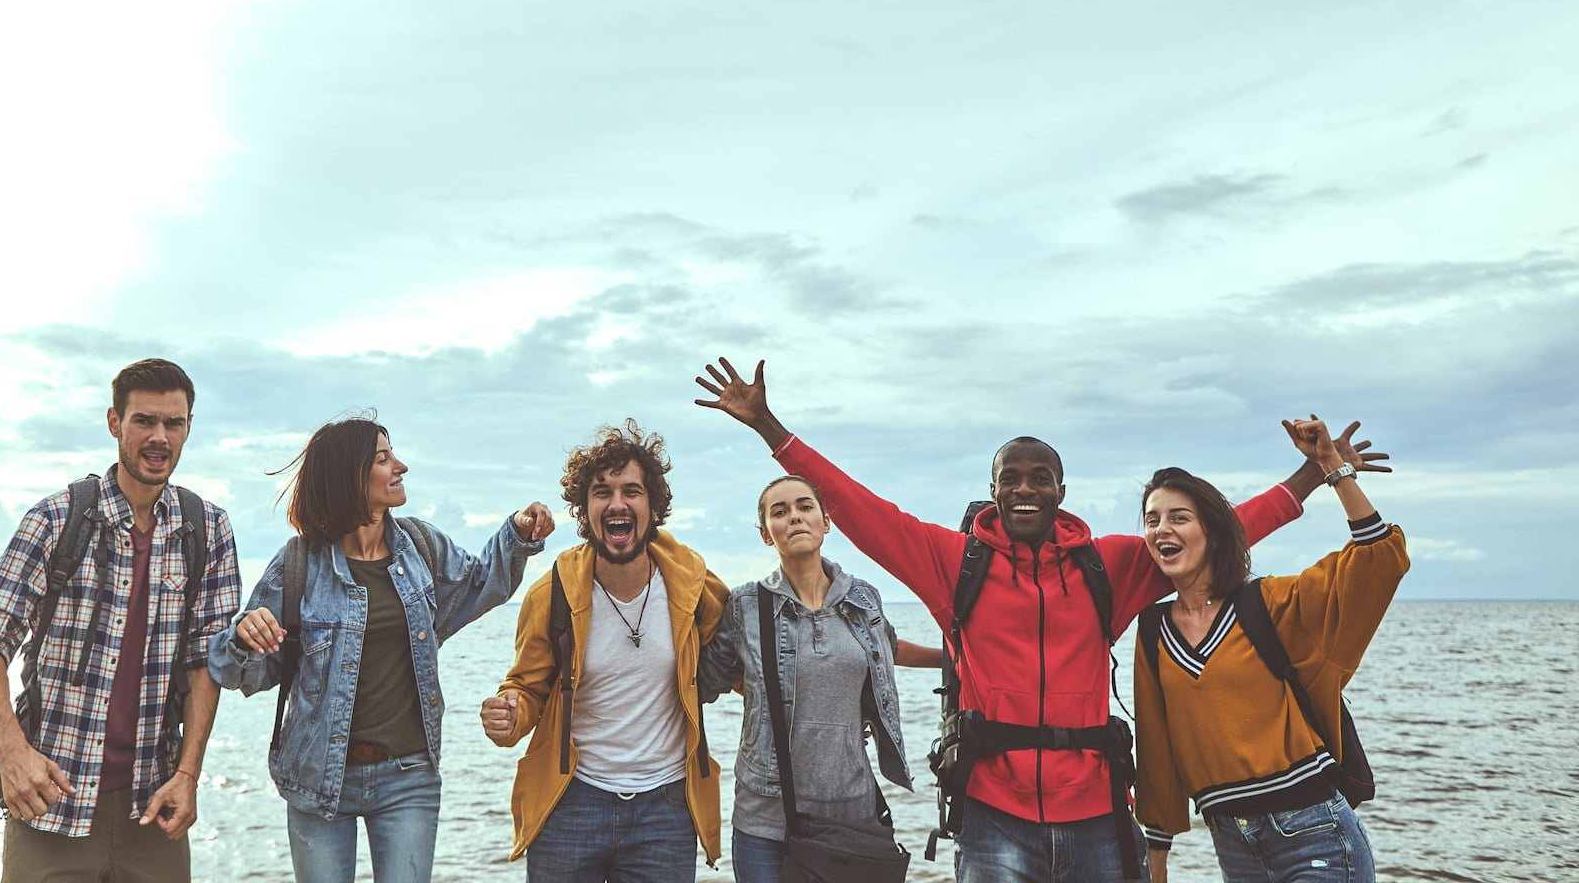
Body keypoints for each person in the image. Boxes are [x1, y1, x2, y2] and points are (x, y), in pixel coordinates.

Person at [694, 357, 1383, 883]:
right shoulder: (954, 563)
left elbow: (1219, 531)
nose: (1024, 488)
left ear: (1061, 489)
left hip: (1096, 811)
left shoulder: (1106, 565)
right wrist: (770, 429)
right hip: (995, 816)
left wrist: (1313, 477)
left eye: (1039, 477)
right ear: (993, 489)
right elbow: (861, 509)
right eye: (1009, 477)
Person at [206, 414, 555, 883]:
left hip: (408, 776)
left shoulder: (421, 546)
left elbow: (479, 582)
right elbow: (240, 673)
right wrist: (245, 638)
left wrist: (516, 532)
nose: (401, 466)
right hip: (316, 780)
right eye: (384, 458)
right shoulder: (297, 564)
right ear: (349, 476)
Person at [0, 357, 242, 883]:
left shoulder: (209, 529)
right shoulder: (58, 517)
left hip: (153, 807)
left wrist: (188, 775)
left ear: (187, 430)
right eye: (144, 421)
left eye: (173, 424)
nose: (159, 437)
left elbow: (208, 660)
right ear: (115, 422)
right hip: (51, 803)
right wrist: (11, 755)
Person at [1134, 417, 1408, 883]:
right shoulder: (1153, 630)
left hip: (1315, 831)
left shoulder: (1271, 602)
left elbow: (1379, 560)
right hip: (1232, 845)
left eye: (1180, 517)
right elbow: (1158, 749)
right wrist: (1155, 858)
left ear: (1214, 533)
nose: (1163, 528)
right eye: (1152, 519)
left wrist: (1332, 468)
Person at [480, 419, 731, 881]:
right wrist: (511, 713)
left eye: (632, 490)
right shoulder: (551, 593)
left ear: (652, 506)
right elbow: (527, 686)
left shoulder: (694, 585)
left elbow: (743, 661)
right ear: (585, 509)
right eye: (602, 492)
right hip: (571, 802)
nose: (617, 502)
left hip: (666, 808)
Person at [699, 473, 949, 883]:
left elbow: (887, 648)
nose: (794, 517)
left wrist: (956, 660)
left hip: (853, 809)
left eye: (804, 506)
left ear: (825, 522)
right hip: (767, 817)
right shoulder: (746, 604)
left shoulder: (863, 596)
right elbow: (704, 679)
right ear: (767, 535)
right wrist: (758, 688)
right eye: (779, 512)